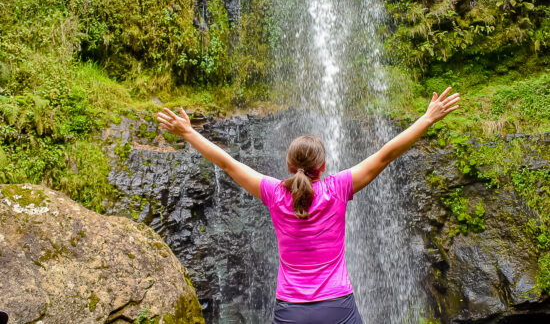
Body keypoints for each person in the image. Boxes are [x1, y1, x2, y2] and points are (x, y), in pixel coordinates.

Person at [156, 87, 460, 323]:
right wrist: (428, 117)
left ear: (289, 165)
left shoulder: (275, 193)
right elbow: (386, 154)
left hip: (291, 311)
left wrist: (188, 132)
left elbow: (226, 162)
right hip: (337, 308)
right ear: (324, 166)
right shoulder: (338, 187)